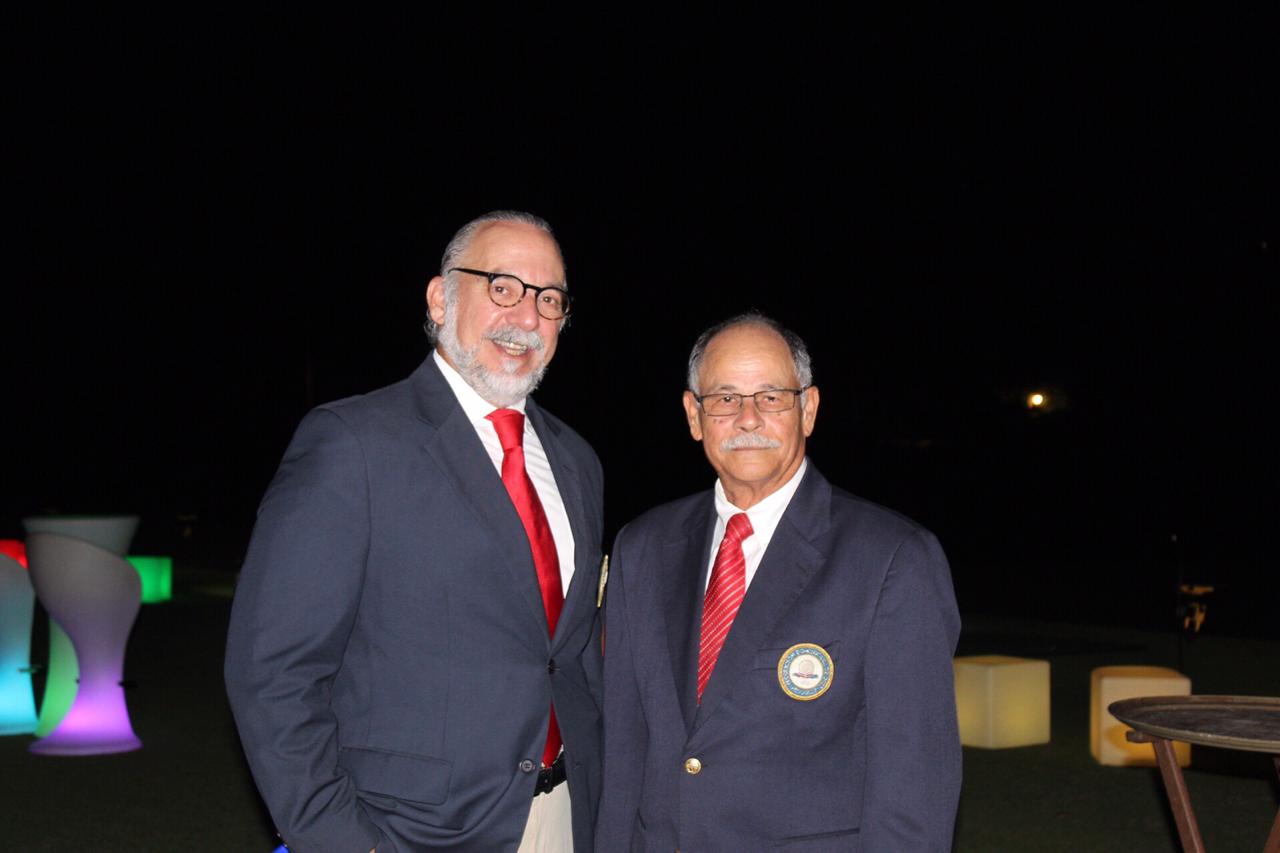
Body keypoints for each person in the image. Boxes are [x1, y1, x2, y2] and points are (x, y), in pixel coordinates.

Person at [225, 211, 604, 853]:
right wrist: (340, 839)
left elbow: (565, 656)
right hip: (409, 831)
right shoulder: (354, 444)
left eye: (549, 299)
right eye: (502, 287)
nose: (527, 316)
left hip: (566, 817)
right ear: (440, 299)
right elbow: (273, 670)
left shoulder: (577, 462)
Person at [595, 313, 961, 852]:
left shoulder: (893, 559)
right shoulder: (642, 547)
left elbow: (915, 792)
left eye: (771, 397)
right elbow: (624, 752)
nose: (748, 418)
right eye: (725, 398)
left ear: (808, 410)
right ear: (694, 415)